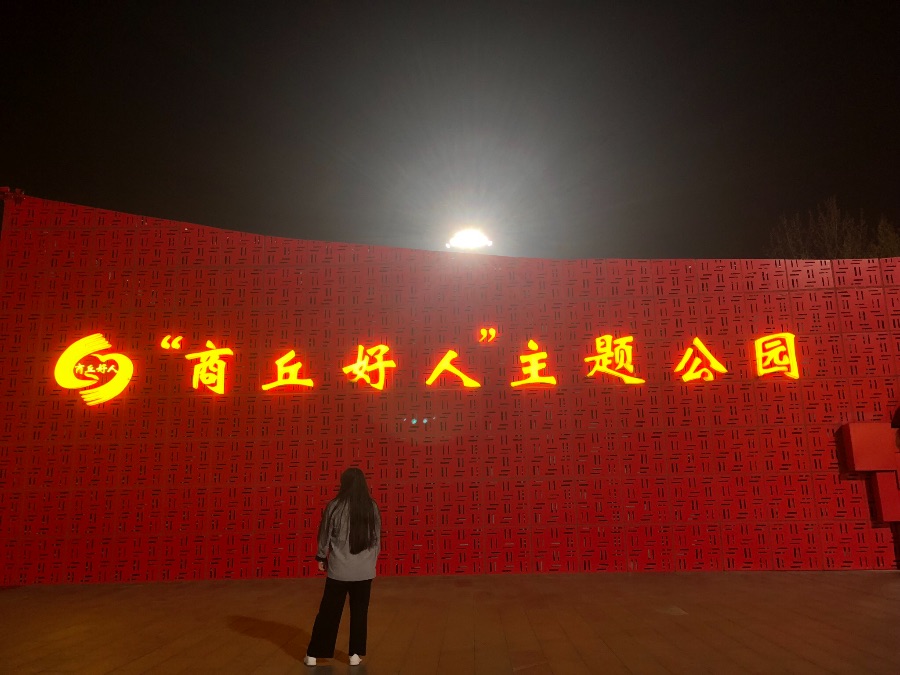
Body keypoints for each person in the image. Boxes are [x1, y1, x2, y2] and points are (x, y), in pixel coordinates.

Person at [304, 468, 381, 667]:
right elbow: (376, 539)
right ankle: (354, 654)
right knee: (359, 613)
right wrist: (370, 562)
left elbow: (325, 534)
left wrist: (321, 556)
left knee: (329, 612)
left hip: (339, 570)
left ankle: (314, 654)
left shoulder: (335, 506)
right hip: (364, 571)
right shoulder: (371, 506)